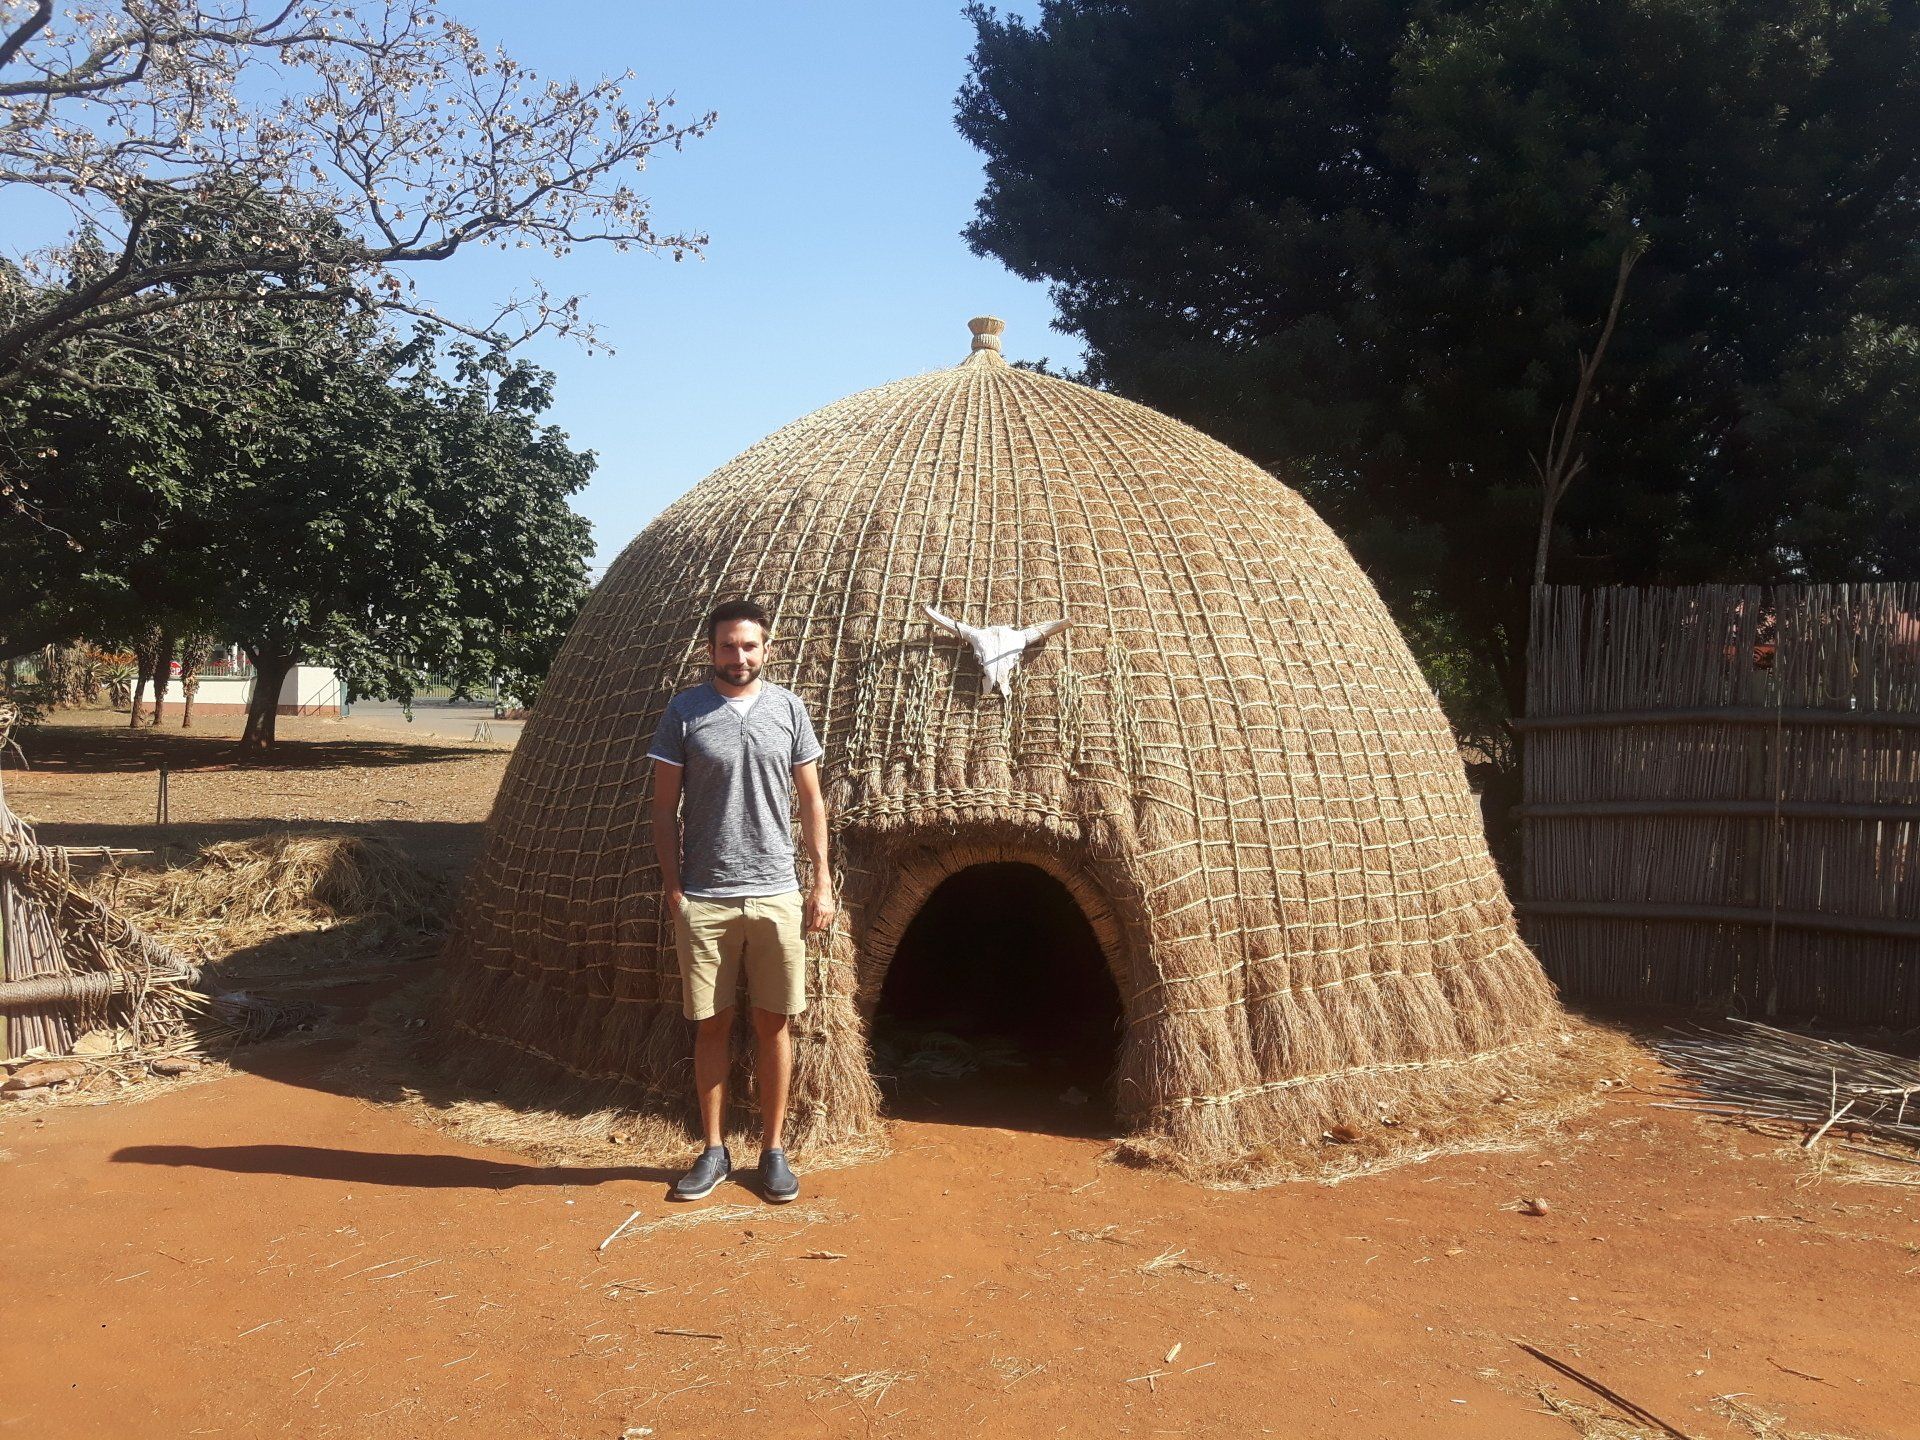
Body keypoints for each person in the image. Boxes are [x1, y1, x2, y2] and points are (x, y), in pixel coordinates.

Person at [648, 599, 835, 1203]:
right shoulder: (685, 712)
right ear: (711, 650)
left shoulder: (789, 709)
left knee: (774, 1023)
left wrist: (821, 880)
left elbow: (811, 801)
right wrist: (674, 885)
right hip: (706, 895)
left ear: (767, 648)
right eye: (728, 645)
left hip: (777, 891)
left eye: (749, 645)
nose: (739, 655)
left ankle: (773, 1152)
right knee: (712, 1023)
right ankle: (713, 1150)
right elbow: (662, 808)